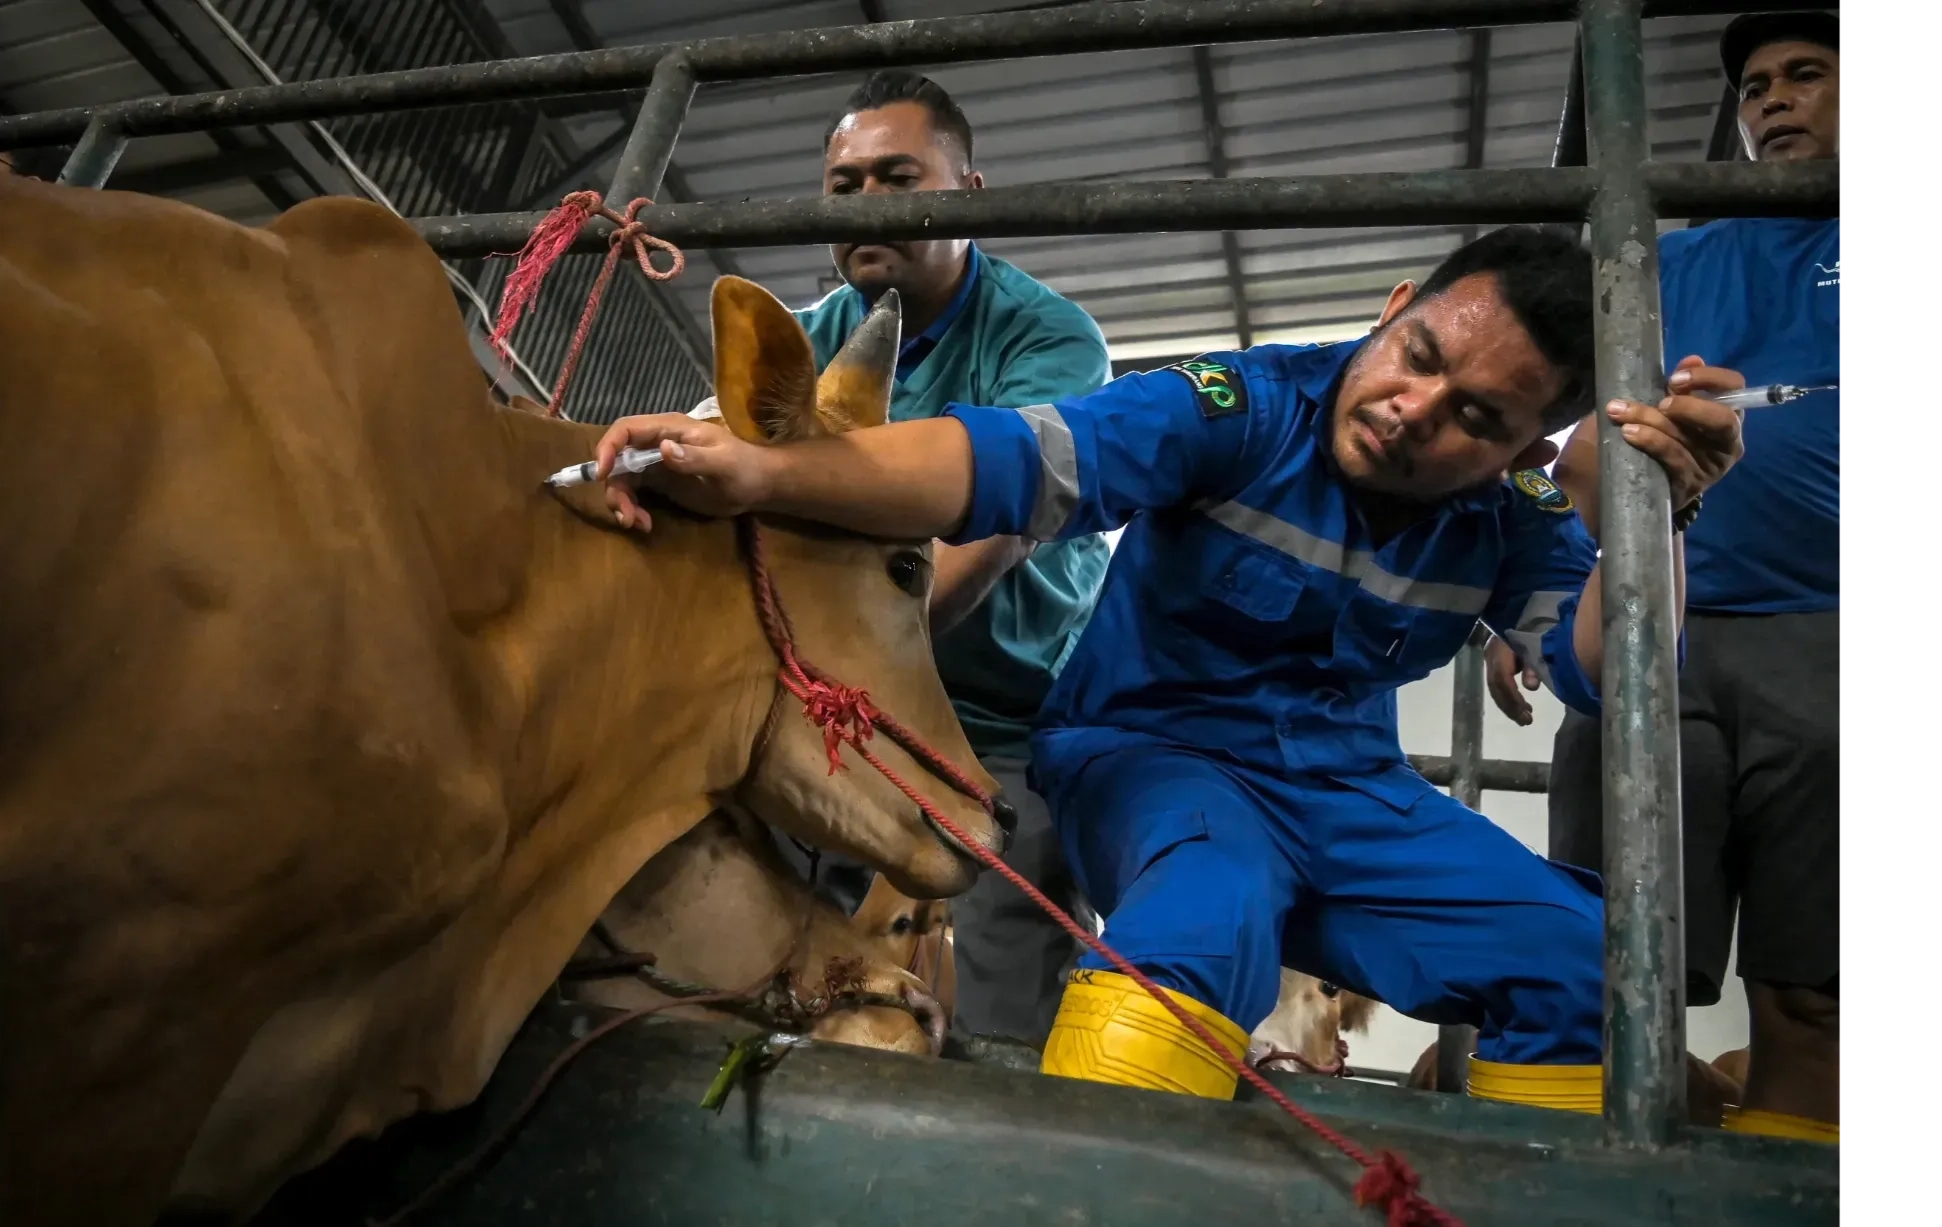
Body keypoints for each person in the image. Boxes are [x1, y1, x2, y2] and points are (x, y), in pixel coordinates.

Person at [590, 224, 1746, 1115]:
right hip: (1152, 757)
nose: (1412, 410)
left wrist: (1664, 515)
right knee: (1207, 914)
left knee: (1581, 962)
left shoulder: (1519, 519)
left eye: (1475, 416)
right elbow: (1010, 461)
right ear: (1394, 310)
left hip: (1349, 798)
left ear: (1522, 450)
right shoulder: (1238, 408)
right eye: (1417, 357)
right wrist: (764, 474)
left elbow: (1602, 676)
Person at [1482, 11, 1845, 1144]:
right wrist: (1521, 603)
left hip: (1836, 641)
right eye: (1755, 86)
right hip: (1656, 619)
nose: (1773, 98)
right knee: (1606, 980)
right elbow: (1552, 424)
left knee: (1813, 992)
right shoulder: (1661, 256)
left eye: (1807, 74)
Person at [748, 70, 1115, 1048]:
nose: (868, 202)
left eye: (898, 177)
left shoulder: (1051, 339)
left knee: (1011, 962)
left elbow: (992, 536)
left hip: (1001, 713)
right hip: (843, 695)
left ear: (970, 191)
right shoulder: (810, 339)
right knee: (754, 921)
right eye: (845, 184)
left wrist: (837, 683)